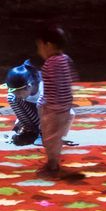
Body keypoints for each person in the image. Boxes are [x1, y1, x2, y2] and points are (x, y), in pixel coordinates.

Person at [34, 25, 84, 181]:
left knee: (50, 139)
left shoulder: (50, 63)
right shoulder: (65, 59)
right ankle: (53, 161)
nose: (39, 51)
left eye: (39, 47)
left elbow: (50, 87)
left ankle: (53, 165)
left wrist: (43, 103)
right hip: (65, 107)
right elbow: (72, 79)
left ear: (47, 45)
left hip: (54, 109)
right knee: (56, 135)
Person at [6, 58, 42, 146]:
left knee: (41, 105)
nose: (17, 95)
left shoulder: (43, 91)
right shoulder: (20, 93)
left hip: (48, 118)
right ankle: (28, 129)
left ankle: (42, 133)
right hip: (34, 117)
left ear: (29, 86)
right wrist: (19, 124)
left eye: (18, 92)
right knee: (11, 97)